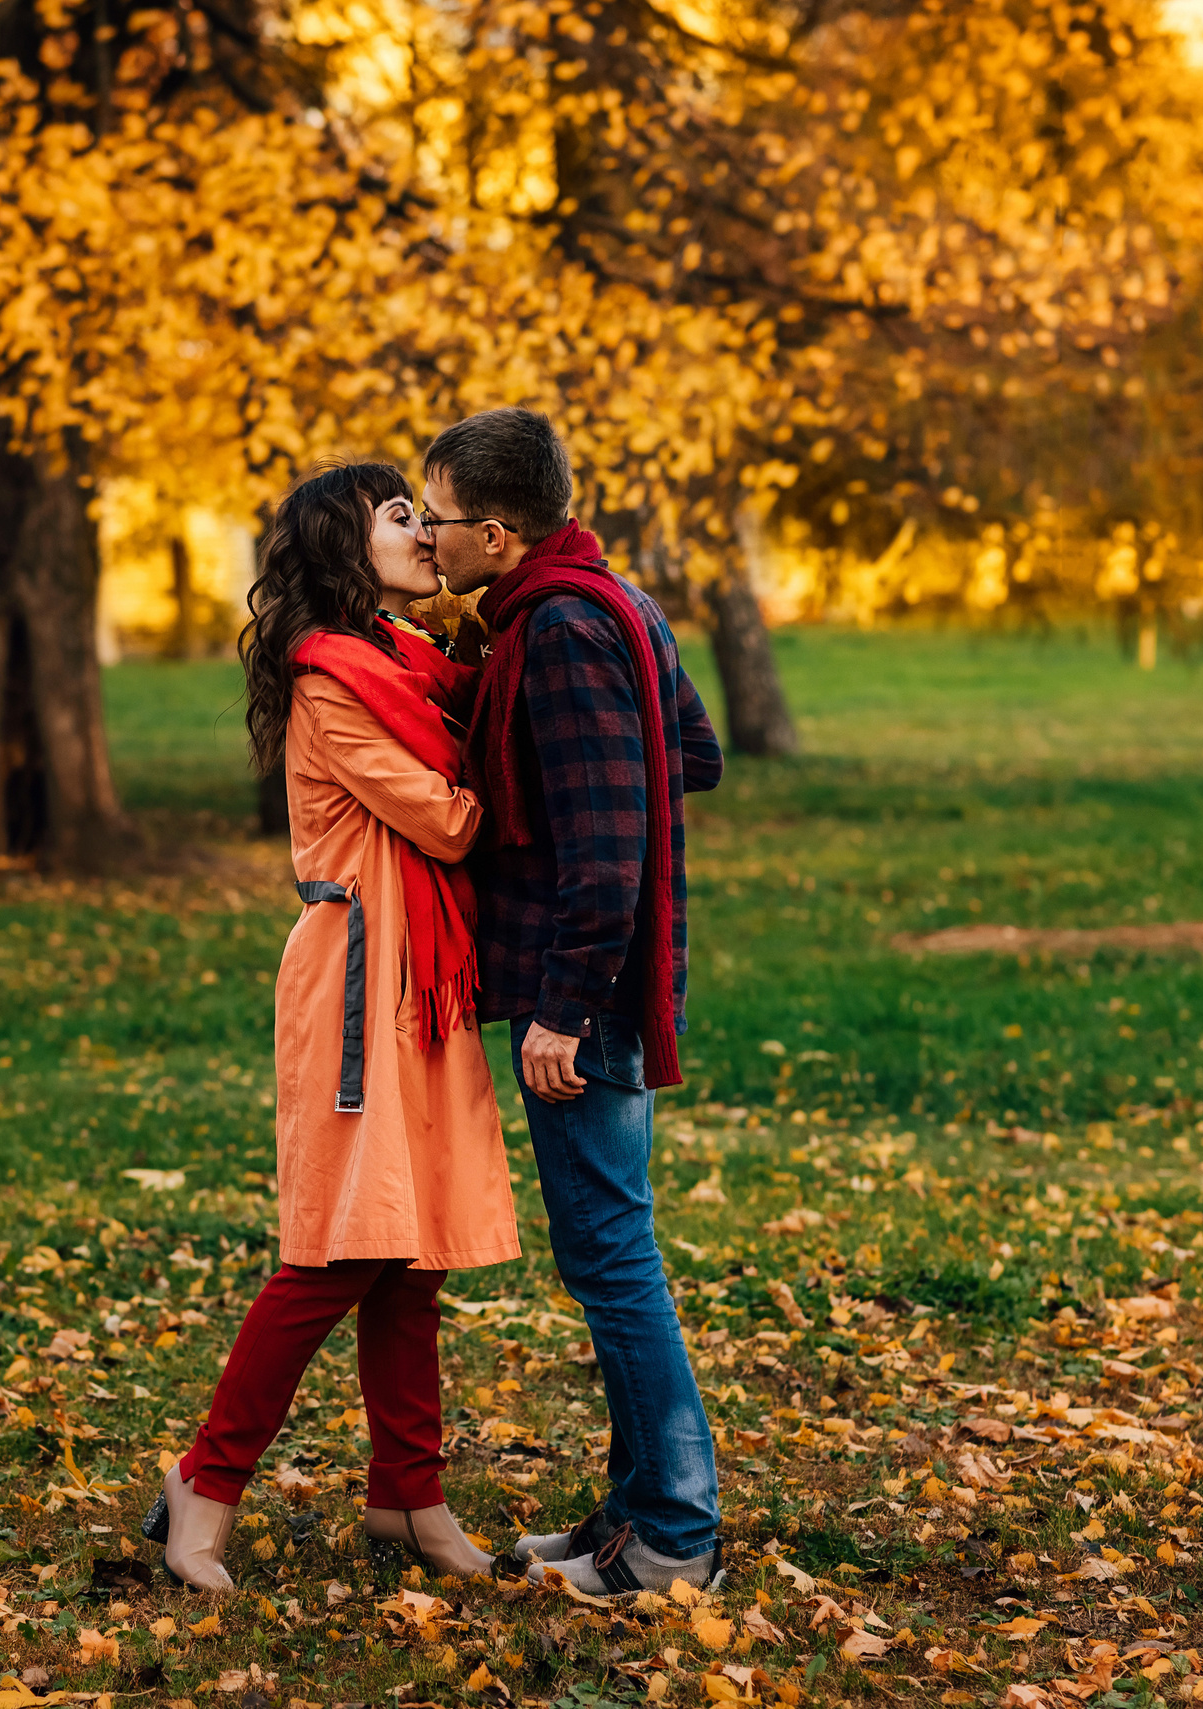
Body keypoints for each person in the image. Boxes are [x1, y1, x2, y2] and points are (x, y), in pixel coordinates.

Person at [144, 462, 520, 1591]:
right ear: (345, 550)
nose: (422, 527)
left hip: (424, 977)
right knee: (338, 1251)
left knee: (410, 1261)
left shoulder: (418, 665)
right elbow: (449, 821)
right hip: (360, 979)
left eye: (420, 509)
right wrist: (520, 776)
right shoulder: (332, 677)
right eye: (397, 514)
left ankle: (409, 1498)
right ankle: (200, 1489)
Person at [417, 408, 728, 1594]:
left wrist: (560, 1007)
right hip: (592, 983)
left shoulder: (556, 631)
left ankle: (673, 1537)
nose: (429, 537)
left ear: (496, 533)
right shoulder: (611, 600)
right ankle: (632, 1512)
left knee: (611, 1256)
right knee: (610, 1252)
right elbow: (689, 752)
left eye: (437, 518)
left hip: (583, 992)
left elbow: (606, 855)